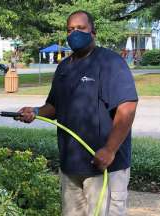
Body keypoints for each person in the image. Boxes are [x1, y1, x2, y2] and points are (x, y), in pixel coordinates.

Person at [16, 10, 138, 216]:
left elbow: (127, 107)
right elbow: (54, 105)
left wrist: (109, 149)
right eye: (70, 29)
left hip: (104, 166)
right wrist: (35, 112)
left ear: (93, 31)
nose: (74, 33)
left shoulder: (110, 62)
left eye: (80, 28)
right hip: (71, 166)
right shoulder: (64, 67)